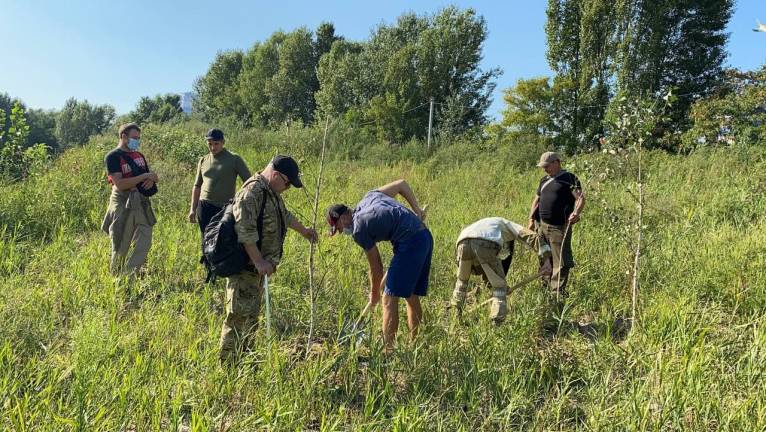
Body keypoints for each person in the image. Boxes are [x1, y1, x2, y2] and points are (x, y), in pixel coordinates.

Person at [219, 155, 317, 362]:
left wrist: (304, 231)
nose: (287, 187)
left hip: (257, 271)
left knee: (251, 317)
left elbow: (284, 215)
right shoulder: (251, 193)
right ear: (275, 174)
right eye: (287, 183)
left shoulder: (269, 191)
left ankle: (245, 358)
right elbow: (245, 231)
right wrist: (258, 261)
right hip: (245, 269)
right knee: (237, 317)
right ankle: (228, 367)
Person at [326, 180, 431, 353]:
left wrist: (374, 293)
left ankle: (387, 352)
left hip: (410, 243)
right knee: (410, 295)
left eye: (338, 228)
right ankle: (417, 347)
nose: (340, 231)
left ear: (344, 217)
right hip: (424, 237)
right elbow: (401, 184)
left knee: (388, 298)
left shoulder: (359, 229)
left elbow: (376, 267)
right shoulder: (369, 196)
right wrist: (417, 210)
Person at [451, 217, 551, 324]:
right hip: (485, 242)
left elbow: (485, 268)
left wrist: (497, 284)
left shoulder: (486, 224)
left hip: (462, 243)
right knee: (499, 289)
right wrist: (547, 259)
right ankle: (497, 323)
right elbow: (530, 236)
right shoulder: (506, 224)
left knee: (461, 282)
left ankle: (456, 317)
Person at [101, 122, 158, 276]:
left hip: (141, 202)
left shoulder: (139, 156)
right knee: (121, 244)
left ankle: (129, 275)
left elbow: (147, 177)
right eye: (134, 138)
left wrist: (151, 178)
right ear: (123, 136)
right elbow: (119, 184)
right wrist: (144, 176)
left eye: (138, 138)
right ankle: (117, 280)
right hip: (122, 203)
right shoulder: (112, 157)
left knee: (144, 241)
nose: (137, 141)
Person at [527, 151, 584, 301]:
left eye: (547, 166)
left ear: (556, 162)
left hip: (559, 228)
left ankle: (557, 293)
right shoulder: (544, 180)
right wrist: (531, 219)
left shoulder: (569, 178)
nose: (545, 169)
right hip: (542, 226)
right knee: (544, 257)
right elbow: (536, 200)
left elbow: (580, 198)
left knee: (560, 261)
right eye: (543, 167)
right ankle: (545, 288)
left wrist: (576, 213)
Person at [188, 128, 251, 263]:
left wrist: (239, 200)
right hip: (204, 206)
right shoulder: (203, 160)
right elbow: (197, 186)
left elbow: (249, 182)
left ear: (223, 142)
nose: (212, 147)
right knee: (206, 239)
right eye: (209, 144)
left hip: (224, 208)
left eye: (216, 143)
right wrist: (192, 209)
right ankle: (209, 270)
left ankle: (222, 268)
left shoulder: (234, 159)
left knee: (223, 239)